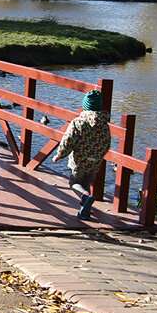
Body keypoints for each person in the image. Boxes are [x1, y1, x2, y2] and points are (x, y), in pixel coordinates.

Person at [53, 90, 111, 220]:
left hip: (79, 161)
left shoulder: (78, 122)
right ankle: (85, 211)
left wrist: (59, 155)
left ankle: (85, 197)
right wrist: (100, 155)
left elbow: (68, 140)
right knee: (86, 183)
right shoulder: (104, 124)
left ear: (85, 106)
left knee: (75, 183)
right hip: (95, 162)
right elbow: (107, 143)